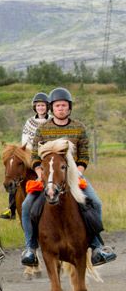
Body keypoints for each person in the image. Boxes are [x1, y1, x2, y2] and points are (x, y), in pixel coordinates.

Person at [20, 87, 117, 267]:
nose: (61, 109)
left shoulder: (79, 128)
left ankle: (97, 247)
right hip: (48, 176)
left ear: (69, 108)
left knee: (95, 203)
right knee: (26, 206)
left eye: (64, 105)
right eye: (57, 106)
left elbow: (84, 155)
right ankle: (30, 249)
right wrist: (40, 173)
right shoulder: (43, 129)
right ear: (52, 108)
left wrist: (78, 172)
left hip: (73, 176)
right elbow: (35, 156)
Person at [1, 92, 50, 219]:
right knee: (16, 175)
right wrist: (27, 154)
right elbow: (25, 140)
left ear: (47, 107)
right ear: (35, 107)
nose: (40, 108)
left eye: (43, 105)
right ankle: (11, 208)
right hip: (30, 154)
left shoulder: (51, 121)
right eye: (38, 105)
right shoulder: (29, 122)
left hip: (46, 154)